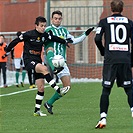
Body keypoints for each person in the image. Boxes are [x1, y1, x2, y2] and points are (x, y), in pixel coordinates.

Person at [4, 16, 72, 116]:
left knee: (41, 87)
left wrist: (64, 42)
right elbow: (16, 41)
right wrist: (7, 50)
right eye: (41, 26)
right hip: (28, 61)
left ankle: (37, 111)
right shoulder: (28, 34)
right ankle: (57, 89)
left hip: (37, 61)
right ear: (36, 26)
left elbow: (54, 38)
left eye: (44, 26)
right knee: (44, 69)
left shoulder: (45, 35)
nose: (43, 28)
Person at [44, 10, 94, 114]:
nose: (57, 20)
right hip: (52, 58)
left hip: (62, 62)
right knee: (50, 50)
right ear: (52, 19)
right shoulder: (47, 30)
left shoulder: (64, 31)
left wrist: (86, 33)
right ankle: (54, 69)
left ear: (61, 19)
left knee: (67, 87)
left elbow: (75, 40)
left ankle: (49, 103)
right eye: (55, 18)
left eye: (59, 18)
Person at [94, 0, 133, 129]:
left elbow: (97, 38)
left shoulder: (104, 22)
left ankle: (103, 118)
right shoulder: (129, 22)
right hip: (125, 59)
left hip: (111, 60)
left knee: (106, 90)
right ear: (122, 9)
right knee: (129, 89)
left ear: (111, 8)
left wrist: (102, 51)